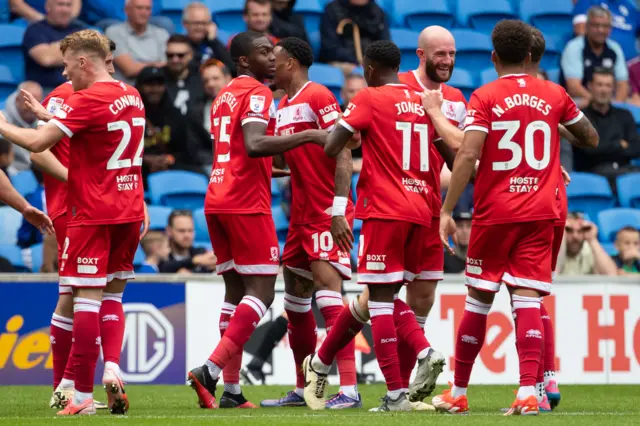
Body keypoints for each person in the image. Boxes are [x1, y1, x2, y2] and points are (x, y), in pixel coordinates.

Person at [432, 20, 598, 416]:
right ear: (529, 56)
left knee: (477, 300)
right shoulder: (555, 94)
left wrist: (447, 210)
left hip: (496, 212)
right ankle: (528, 392)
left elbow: (468, 155)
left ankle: (458, 392)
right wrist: (550, 126)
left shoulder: (485, 95)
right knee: (527, 301)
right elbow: (590, 137)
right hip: (541, 212)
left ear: (493, 58)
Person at [0, 30, 147, 416]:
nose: (65, 74)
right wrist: (52, 114)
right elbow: (96, 129)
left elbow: (35, 146)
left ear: (84, 62)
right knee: (111, 296)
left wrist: (1, 123)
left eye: (67, 66)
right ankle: (106, 371)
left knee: (83, 298)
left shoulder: (85, 98)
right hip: (129, 209)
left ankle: (77, 393)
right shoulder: (131, 94)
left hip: (91, 211)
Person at [303, 40, 442, 413]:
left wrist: (350, 130)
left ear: (368, 69)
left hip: (384, 208)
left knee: (379, 301)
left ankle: (400, 390)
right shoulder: (423, 99)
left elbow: (333, 146)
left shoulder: (369, 98)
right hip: (423, 209)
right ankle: (416, 356)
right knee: (387, 298)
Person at [187, 31, 323, 410]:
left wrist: (281, 169)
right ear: (244, 60)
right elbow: (254, 144)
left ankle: (231, 392)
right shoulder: (258, 93)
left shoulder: (223, 96)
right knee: (262, 293)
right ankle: (211, 370)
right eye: (264, 52)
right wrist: (311, 136)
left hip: (218, 196)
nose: (273, 58)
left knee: (234, 294)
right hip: (246, 203)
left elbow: (244, 155)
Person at [247, 37, 359, 409]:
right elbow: (299, 155)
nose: (270, 66)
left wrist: (339, 209)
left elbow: (342, 148)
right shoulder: (283, 104)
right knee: (295, 302)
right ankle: (304, 387)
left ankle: (349, 389)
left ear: (291, 62)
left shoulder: (319, 96)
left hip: (327, 211)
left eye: (275, 60)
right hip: (300, 215)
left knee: (330, 296)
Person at [21, 39, 127, 411]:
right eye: (108, 62)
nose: (112, 70)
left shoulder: (95, 96)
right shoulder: (73, 95)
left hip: (95, 205)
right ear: (91, 62)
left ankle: (69, 385)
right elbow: (39, 151)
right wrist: (77, 179)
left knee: (77, 295)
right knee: (84, 295)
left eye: (113, 62)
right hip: (78, 207)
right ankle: (74, 383)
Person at [394, 26, 467, 405]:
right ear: (421, 55)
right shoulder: (397, 87)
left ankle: (406, 388)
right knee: (381, 293)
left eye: (452, 54)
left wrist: (447, 209)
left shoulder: (455, 100)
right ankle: (394, 384)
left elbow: (457, 161)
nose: (448, 61)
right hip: (394, 206)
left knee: (422, 299)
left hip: (430, 211)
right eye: (440, 54)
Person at [136, 66, 210, 183]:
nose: (155, 89)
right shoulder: (131, 115)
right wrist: (145, 160)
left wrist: (169, 159)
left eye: (159, 85)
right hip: (139, 168)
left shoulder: (175, 114)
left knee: (202, 176)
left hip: (170, 167)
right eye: (149, 85)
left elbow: (187, 151)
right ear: (139, 87)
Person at [573, 67, 640, 187]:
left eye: (608, 85)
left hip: (626, 172)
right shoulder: (580, 117)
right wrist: (619, 144)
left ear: (613, 89)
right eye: (600, 85)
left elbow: (635, 148)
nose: (604, 90)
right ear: (590, 86)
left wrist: (603, 146)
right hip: (594, 175)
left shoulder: (625, 115)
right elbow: (588, 150)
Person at [560, 6, 629, 105]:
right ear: (587, 27)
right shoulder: (574, 47)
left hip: (608, 102)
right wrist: (599, 103)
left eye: (605, 26)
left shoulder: (615, 48)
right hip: (580, 101)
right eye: (596, 25)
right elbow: (574, 87)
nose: (600, 30)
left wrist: (616, 106)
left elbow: (622, 85)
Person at [22, 0, 85, 92]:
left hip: (77, 89)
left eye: (68, 5)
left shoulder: (80, 28)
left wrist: (55, 49)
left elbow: (92, 57)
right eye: (60, 4)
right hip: (46, 90)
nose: (65, 10)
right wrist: (77, 48)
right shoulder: (35, 30)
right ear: (48, 6)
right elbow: (46, 59)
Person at [106, 0, 170, 85]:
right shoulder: (112, 33)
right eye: (139, 8)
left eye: (148, 8)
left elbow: (168, 67)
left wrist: (139, 65)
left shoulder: (162, 34)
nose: (144, 12)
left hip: (156, 90)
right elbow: (129, 70)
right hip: (126, 91)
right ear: (127, 10)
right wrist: (157, 64)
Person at [319, 0, 390, 75]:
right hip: (342, 62)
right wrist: (358, 61)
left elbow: (385, 46)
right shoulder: (332, 9)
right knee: (359, 76)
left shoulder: (378, 12)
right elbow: (330, 47)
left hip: (370, 63)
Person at [572, 0, 639, 64]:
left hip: (632, 65)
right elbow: (580, 32)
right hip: (603, 63)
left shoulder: (627, 5)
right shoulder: (588, 2)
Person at [0, 82, 44, 172]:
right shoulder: (2, 121)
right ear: (17, 100)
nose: (33, 108)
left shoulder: (45, 122)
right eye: (29, 102)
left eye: (38, 102)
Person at [182, 2, 234, 73]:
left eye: (204, 23)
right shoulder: (180, 46)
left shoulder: (214, 44)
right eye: (196, 23)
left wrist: (213, 41)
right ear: (185, 24)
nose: (200, 27)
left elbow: (232, 69)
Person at [164, 34, 206, 117]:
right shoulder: (156, 79)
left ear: (190, 55)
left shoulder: (202, 77)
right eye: (170, 55)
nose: (175, 60)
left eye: (180, 55)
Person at [201, 59, 232, 131]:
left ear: (228, 78)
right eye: (206, 81)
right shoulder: (199, 109)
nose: (210, 84)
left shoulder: (241, 103)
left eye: (215, 78)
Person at [443, 207, 471, 274]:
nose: (464, 231)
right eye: (459, 226)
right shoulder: (443, 260)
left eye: (469, 226)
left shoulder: (482, 260)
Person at [9, 0, 80, 23]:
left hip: (63, 21)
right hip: (28, 21)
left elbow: (75, 5)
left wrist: (68, 19)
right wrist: (44, 21)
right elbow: (16, 5)